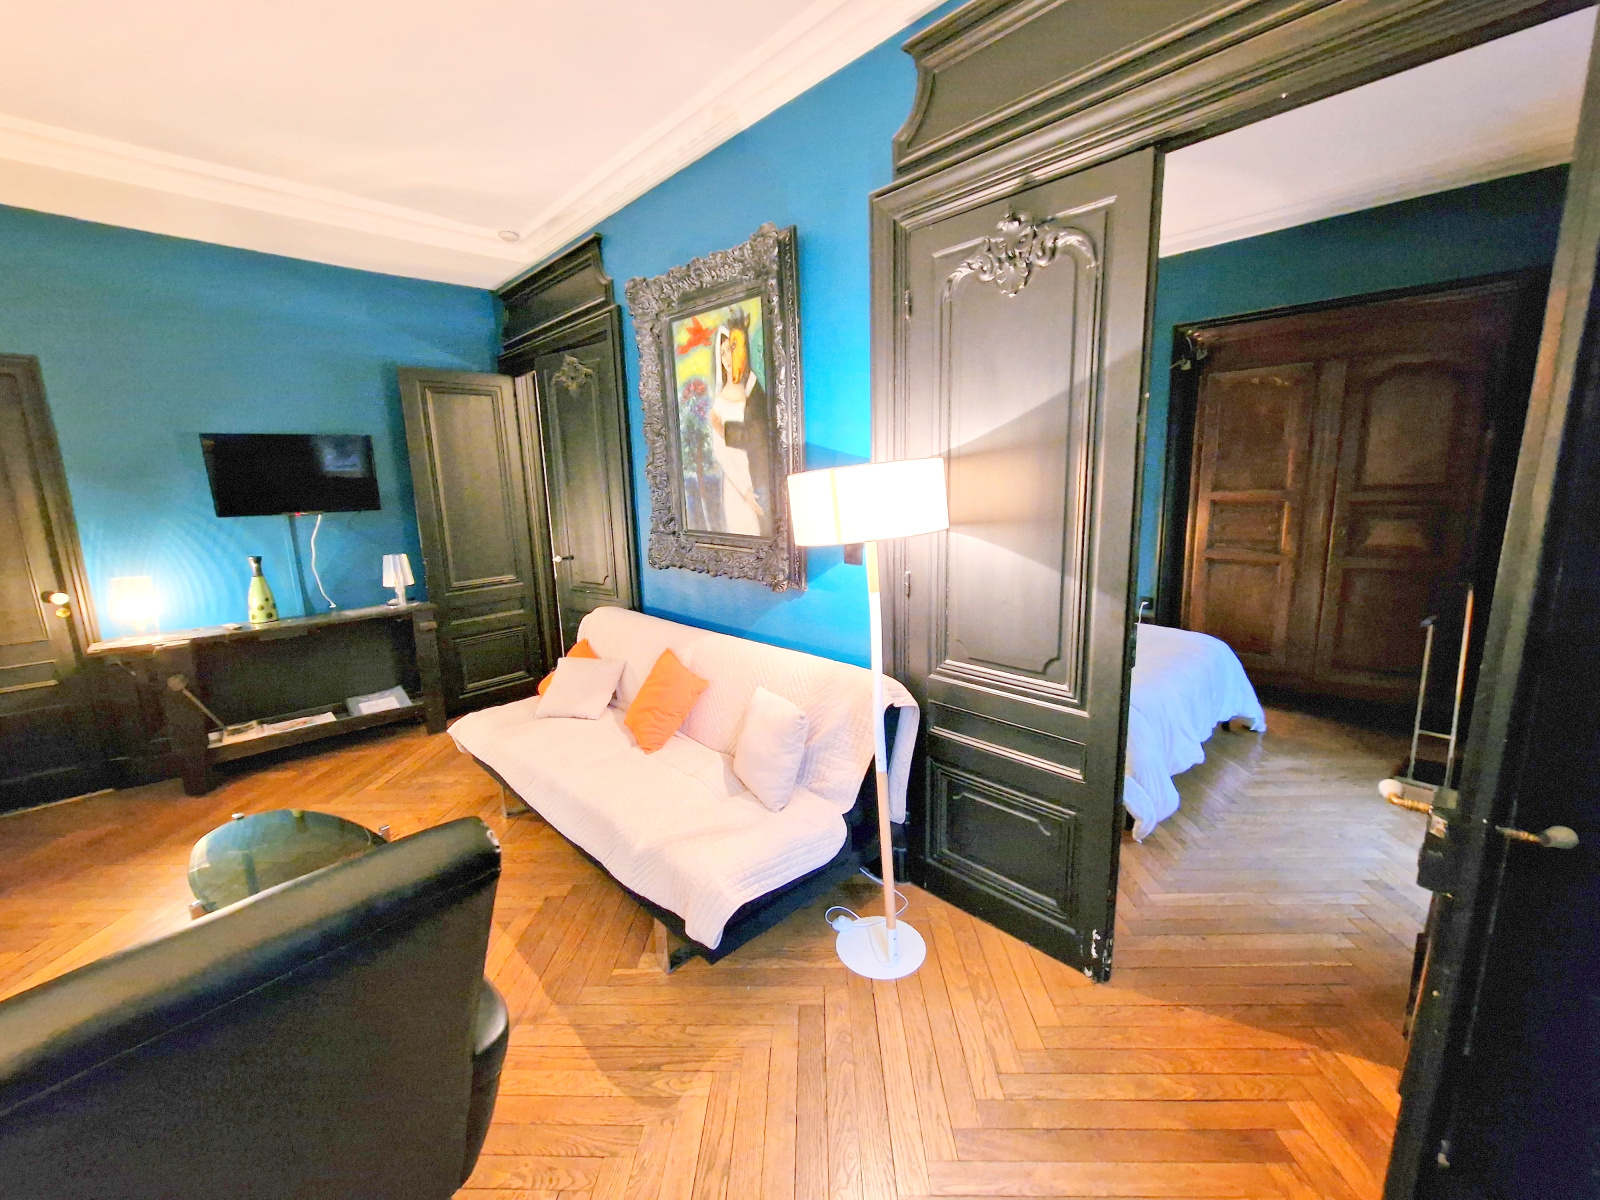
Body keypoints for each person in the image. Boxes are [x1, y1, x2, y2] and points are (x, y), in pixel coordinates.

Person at [709, 311, 772, 537]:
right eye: (723, 352)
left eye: (731, 349)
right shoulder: (719, 401)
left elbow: (760, 433)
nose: (728, 357)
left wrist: (723, 430)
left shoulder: (753, 386)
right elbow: (720, 452)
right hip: (737, 487)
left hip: (758, 478)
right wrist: (744, 491)